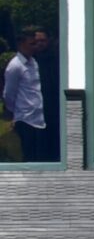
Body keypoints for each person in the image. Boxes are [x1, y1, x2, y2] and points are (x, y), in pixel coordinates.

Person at [3, 26, 48, 156]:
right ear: (21, 44)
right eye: (31, 44)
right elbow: (9, 94)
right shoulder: (15, 66)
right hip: (25, 118)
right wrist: (16, 111)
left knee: (39, 154)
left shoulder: (33, 62)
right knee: (29, 155)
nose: (35, 47)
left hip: (39, 117)